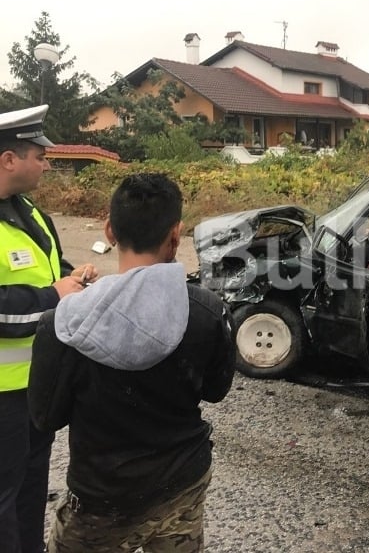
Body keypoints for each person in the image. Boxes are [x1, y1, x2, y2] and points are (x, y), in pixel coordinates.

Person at [28, 172, 236, 552]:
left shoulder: (62, 323)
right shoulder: (208, 310)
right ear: (176, 234)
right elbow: (216, 390)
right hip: (182, 486)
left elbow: (46, 418)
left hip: (100, 503)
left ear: (109, 231)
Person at [0, 104, 98, 553]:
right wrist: (54, 297)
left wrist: (77, 279)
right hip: (2, 396)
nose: (46, 163)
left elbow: (54, 268)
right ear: (9, 159)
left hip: (37, 387)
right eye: (39, 155)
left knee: (30, 489)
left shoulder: (31, 212)